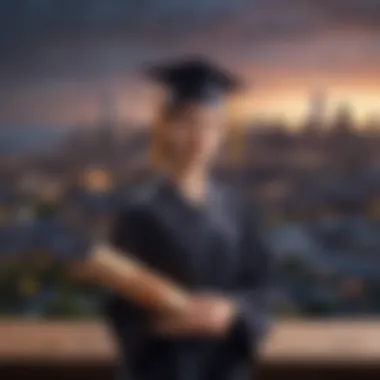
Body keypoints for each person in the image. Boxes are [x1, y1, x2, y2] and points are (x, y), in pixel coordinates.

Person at [101, 58, 275, 380]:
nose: (200, 137)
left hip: (225, 369)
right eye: (189, 123)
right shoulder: (139, 213)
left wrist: (232, 310)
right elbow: (118, 307)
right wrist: (162, 323)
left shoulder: (239, 211)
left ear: (223, 133)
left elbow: (262, 289)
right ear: (166, 127)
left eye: (211, 125)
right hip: (163, 370)